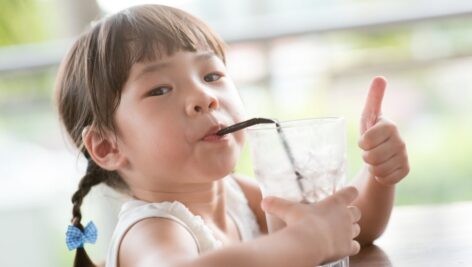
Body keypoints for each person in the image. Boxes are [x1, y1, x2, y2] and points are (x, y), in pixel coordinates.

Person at [55, 4, 409, 267]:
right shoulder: (151, 228)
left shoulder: (241, 196)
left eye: (211, 76)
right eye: (161, 89)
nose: (204, 97)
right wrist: (304, 244)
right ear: (106, 146)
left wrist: (377, 173)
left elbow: (346, 229)